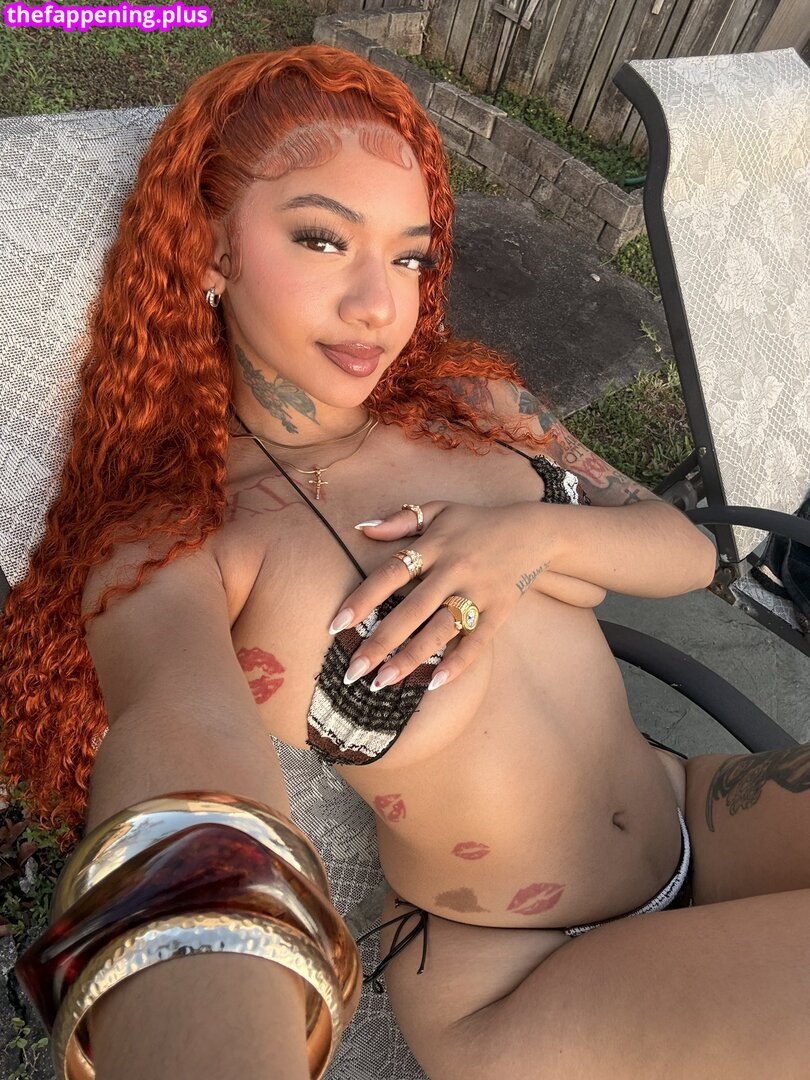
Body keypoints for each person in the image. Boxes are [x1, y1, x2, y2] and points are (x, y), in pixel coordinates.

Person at [2, 44, 809, 1080]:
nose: (379, 307)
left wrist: (529, 537)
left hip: (695, 807)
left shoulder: (476, 406)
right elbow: (179, 740)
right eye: (322, 240)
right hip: (520, 964)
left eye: (409, 258)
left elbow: (690, 549)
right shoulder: (181, 537)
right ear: (206, 252)